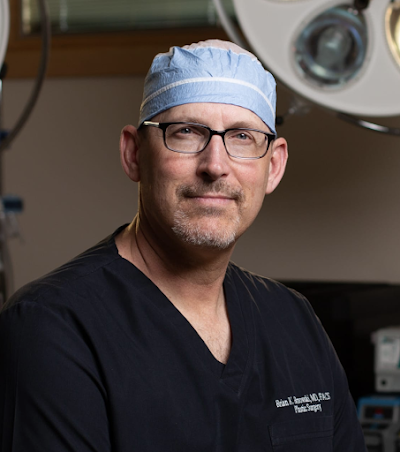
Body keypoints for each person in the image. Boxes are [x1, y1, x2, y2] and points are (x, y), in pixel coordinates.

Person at [0, 40, 366, 451]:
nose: (215, 165)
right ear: (134, 153)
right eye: (187, 132)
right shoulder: (53, 328)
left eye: (242, 136)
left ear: (274, 166)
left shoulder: (294, 321)